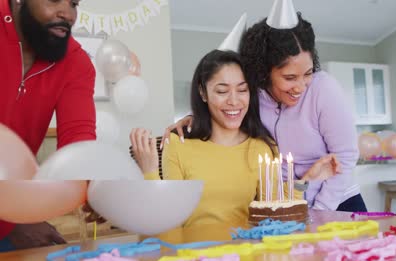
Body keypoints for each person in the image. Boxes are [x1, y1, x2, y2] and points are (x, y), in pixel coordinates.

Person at [162, 0, 367, 212]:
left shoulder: (323, 88)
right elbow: (225, 101)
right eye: (289, 77)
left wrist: (320, 210)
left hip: (338, 202)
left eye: (307, 73)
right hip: (285, 203)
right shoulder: (252, 94)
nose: (301, 86)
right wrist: (193, 117)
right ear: (264, 71)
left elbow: (345, 156)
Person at [130, 49, 340, 227]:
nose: (234, 101)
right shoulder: (178, 144)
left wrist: (307, 180)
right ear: (203, 93)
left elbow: (278, 213)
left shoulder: (262, 147)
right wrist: (149, 171)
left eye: (242, 90)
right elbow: (166, 219)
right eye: (222, 91)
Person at [0, 0, 96, 251]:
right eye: (55, 0)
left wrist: (96, 188)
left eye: (74, 4)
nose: (68, 14)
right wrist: (11, 223)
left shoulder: (76, 63)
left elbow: (78, 140)